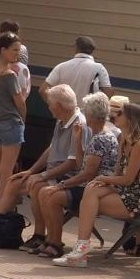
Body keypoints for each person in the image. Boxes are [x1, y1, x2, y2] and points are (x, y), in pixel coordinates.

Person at [53, 102, 140, 268]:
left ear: (131, 119)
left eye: (120, 114)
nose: (114, 116)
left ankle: (81, 250)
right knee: (91, 189)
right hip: (126, 191)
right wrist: (103, 181)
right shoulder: (124, 140)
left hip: (139, 198)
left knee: (89, 199)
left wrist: (103, 179)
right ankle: (81, 249)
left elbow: (128, 179)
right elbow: (117, 174)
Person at [0, 84, 88, 253]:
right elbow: (51, 149)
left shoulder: (79, 124)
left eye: (50, 104)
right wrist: (32, 171)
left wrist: (43, 175)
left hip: (68, 178)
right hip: (54, 173)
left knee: (38, 186)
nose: (48, 107)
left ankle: (45, 237)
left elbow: (73, 163)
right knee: (14, 182)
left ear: (59, 106)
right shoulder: (61, 120)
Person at [34, 92, 119, 258]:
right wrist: (79, 140)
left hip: (91, 188)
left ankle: (55, 242)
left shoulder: (101, 138)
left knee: (51, 195)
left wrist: (60, 185)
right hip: (89, 186)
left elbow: (87, 174)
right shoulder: (96, 135)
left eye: (86, 110)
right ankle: (51, 239)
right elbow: (83, 165)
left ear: (91, 114)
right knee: (45, 192)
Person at [0, 32, 27, 214]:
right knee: (6, 171)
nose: (18, 54)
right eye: (14, 50)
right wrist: (23, 120)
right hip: (10, 122)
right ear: (3, 50)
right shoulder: (9, 75)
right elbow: (20, 102)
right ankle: (3, 210)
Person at [42, 36, 112, 102]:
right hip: (88, 113)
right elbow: (108, 92)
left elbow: (43, 90)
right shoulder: (99, 69)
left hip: (65, 112)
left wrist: (55, 106)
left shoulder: (61, 66)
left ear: (76, 48)